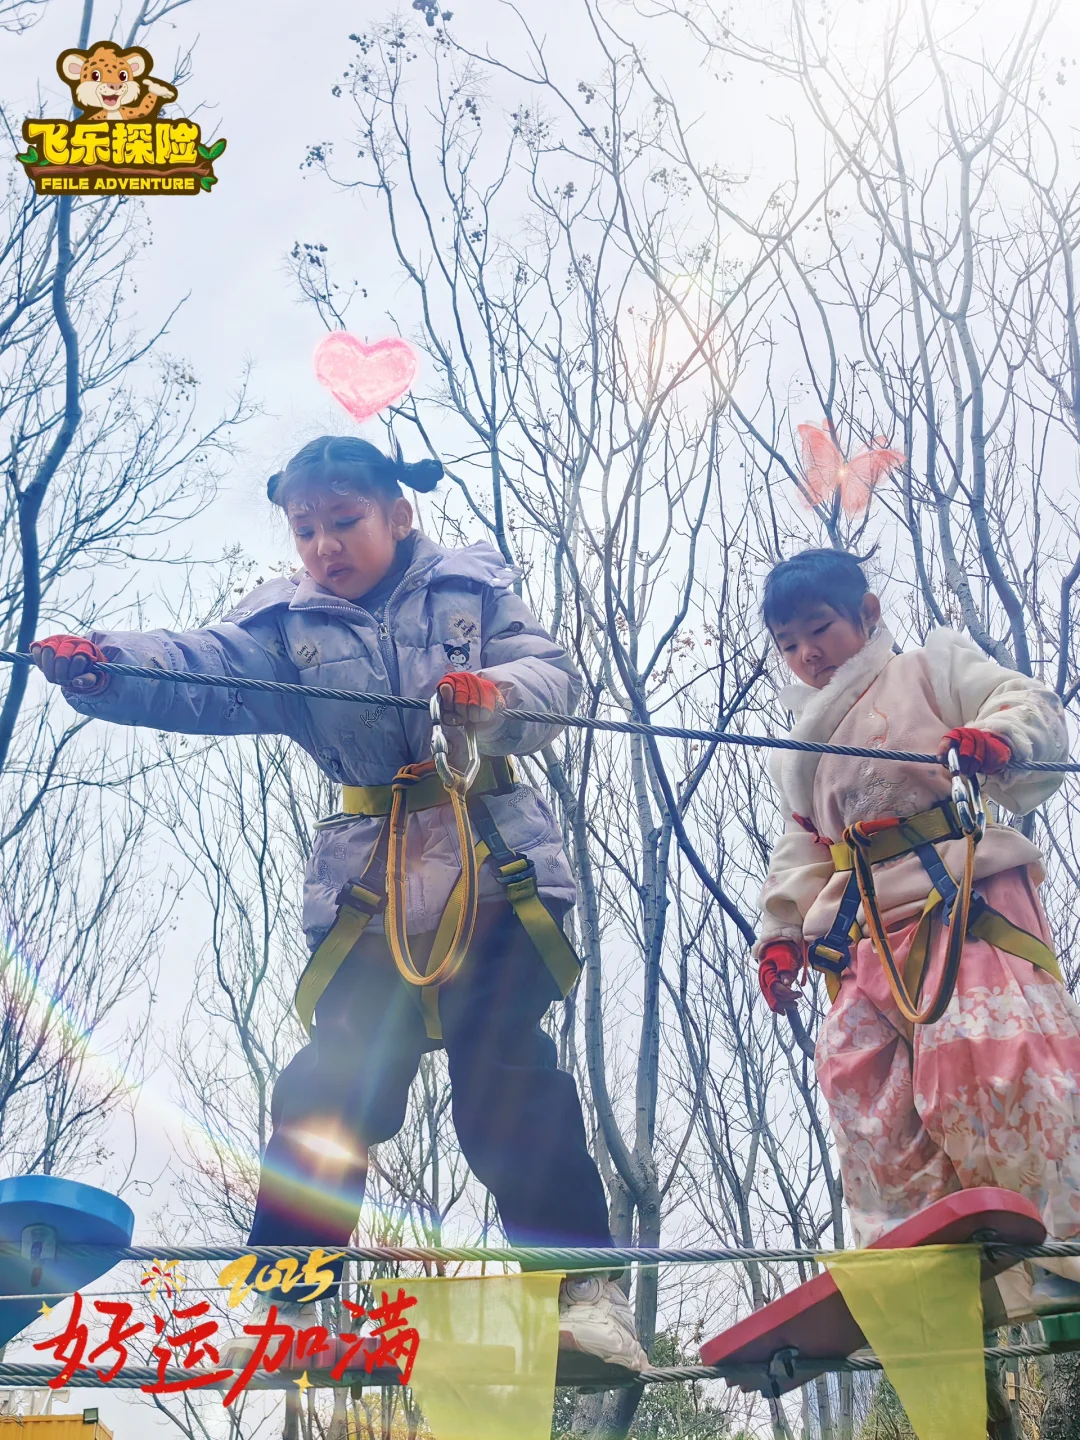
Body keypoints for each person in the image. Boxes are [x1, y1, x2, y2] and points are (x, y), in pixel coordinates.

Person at [31, 435, 646, 1372]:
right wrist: (104, 664)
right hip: (372, 884)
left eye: (345, 521)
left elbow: (554, 679)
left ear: (400, 517)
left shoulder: (471, 595)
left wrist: (494, 696)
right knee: (332, 1084)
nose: (324, 546)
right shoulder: (289, 630)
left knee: (503, 1077)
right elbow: (203, 666)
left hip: (492, 867)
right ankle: (294, 1302)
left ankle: (583, 1294)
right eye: (305, 528)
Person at [755, 547, 1080, 1317]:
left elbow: (1023, 700)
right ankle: (926, 1273)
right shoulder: (801, 752)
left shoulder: (929, 668)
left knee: (988, 1062)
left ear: (867, 612)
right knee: (858, 1084)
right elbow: (800, 851)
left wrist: (996, 739)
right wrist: (781, 934)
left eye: (819, 628)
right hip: (864, 936)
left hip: (959, 902)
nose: (806, 653)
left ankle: (1064, 1245)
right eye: (789, 643)